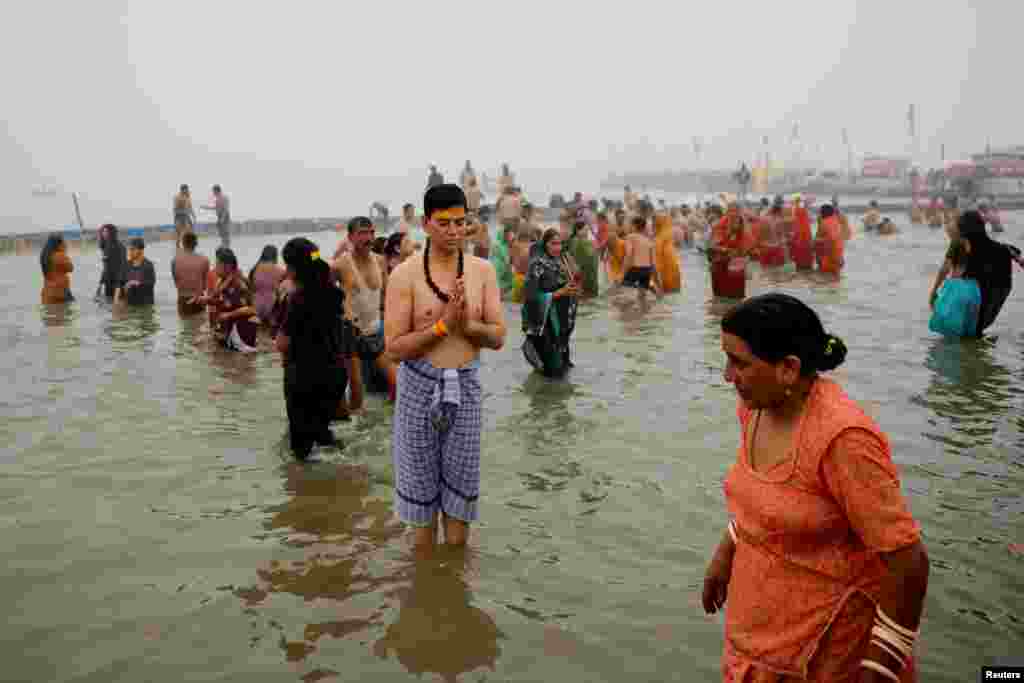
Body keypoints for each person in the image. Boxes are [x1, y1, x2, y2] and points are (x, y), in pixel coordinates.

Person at [706, 293, 929, 683]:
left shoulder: (843, 440)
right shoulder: (756, 407)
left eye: (739, 363)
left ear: (789, 368)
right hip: (758, 642)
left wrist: (879, 670)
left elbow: (908, 563)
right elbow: (769, 496)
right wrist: (726, 553)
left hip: (827, 653)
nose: (728, 375)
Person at [384, 183, 506, 554]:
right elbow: (393, 348)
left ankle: (450, 591)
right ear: (426, 223)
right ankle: (425, 587)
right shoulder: (405, 275)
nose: (454, 231)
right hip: (419, 388)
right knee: (422, 510)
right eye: (444, 223)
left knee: (460, 506)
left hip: (465, 388)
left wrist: (467, 326)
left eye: (461, 222)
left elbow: (498, 336)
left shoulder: (482, 271)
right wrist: (441, 326)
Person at [275, 238, 350, 459]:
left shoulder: (298, 299)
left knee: (301, 451)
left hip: (305, 380)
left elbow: (282, 343)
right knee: (321, 433)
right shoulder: (334, 294)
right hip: (334, 377)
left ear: (292, 268)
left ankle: (307, 490)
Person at [929, 211, 1022, 337]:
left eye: (958, 226)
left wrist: (934, 291)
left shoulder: (966, 244)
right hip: (987, 296)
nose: (954, 228)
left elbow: (945, 269)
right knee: (972, 334)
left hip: (983, 296)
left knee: (968, 334)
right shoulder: (987, 246)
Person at [336, 216, 398, 404]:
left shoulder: (380, 261)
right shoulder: (341, 264)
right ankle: (357, 428)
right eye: (362, 233)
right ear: (351, 237)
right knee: (356, 389)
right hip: (351, 333)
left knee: (396, 382)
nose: (369, 237)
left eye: (371, 232)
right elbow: (315, 264)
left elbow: (389, 297)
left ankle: (392, 424)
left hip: (376, 330)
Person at [522, 228, 579, 377]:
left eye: (560, 244)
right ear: (545, 244)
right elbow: (530, 296)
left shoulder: (561, 262)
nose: (557, 248)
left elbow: (572, 282)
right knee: (552, 370)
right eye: (553, 244)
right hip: (545, 324)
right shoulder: (537, 264)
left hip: (561, 322)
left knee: (563, 367)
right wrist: (560, 293)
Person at [201, 247, 258, 351]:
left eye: (217, 264)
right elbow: (225, 302)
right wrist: (206, 300)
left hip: (242, 334)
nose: (215, 267)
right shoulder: (222, 281)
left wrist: (228, 315)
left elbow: (252, 309)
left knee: (242, 365)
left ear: (227, 266)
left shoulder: (239, 283)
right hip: (229, 331)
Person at [928, 241, 981, 338]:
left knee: (949, 331)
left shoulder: (957, 240)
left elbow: (946, 268)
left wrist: (934, 290)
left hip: (956, 288)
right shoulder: (980, 241)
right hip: (974, 290)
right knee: (968, 335)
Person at [171, 231, 210, 316]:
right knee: (200, 326)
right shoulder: (204, 260)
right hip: (199, 299)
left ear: (183, 243)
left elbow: (176, 281)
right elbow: (205, 285)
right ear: (196, 243)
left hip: (183, 298)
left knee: (184, 327)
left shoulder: (175, 261)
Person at [622, 215, 660, 294]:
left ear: (634, 226)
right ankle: (651, 288)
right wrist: (657, 282)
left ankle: (648, 287)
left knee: (621, 290)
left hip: (635, 269)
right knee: (642, 296)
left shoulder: (630, 237)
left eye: (631, 225)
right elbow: (653, 264)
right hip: (647, 270)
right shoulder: (649, 240)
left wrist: (622, 273)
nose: (629, 227)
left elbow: (628, 255)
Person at [567, 210, 600, 298]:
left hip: (588, 273)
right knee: (585, 296)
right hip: (583, 274)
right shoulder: (576, 241)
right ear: (578, 231)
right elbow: (572, 256)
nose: (586, 233)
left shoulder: (581, 241)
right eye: (585, 230)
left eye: (587, 230)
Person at [249, 245, 286, 325]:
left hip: (256, 307)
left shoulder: (254, 269)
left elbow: (251, 289)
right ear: (275, 256)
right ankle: (272, 320)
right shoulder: (280, 270)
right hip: (272, 308)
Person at [120, 238, 156, 306]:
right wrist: (117, 303)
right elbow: (119, 285)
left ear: (141, 250)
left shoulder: (148, 265)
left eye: (132, 249)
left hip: (144, 305)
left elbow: (150, 284)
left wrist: (135, 283)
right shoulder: (126, 265)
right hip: (129, 304)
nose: (130, 252)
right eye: (129, 249)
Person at [40, 233, 74, 304]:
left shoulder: (45, 256)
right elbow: (70, 268)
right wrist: (64, 252)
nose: (65, 244)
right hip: (60, 292)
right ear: (59, 244)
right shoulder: (59, 256)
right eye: (64, 242)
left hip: (47, 292)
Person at [653, 212, 682, 293]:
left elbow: (656, 263)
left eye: (654, 222)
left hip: (666, 275)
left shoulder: (659, 239)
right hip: (675, 272)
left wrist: (657, 282)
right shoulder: (669, 236)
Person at [98, 224, 127, 300]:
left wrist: (119, 285)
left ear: (112, 233)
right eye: (103, 231)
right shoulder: (105, 247)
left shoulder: (119, 246)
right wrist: (100, 284)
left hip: (118, 283)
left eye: (106, 231)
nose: (103, 233)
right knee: (108, 305)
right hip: (108, 282)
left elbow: (123, 266)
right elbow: (105, 268)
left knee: (119, 305)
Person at [815, 204, 845, 276]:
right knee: (835, 276)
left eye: (820, 212)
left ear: (823, 213)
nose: (819, 214)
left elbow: (832, 238)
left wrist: (817, 241)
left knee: (826, 276)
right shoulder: (835, 220)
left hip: (831, 253)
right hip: (839, 253)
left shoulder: (825, 223)